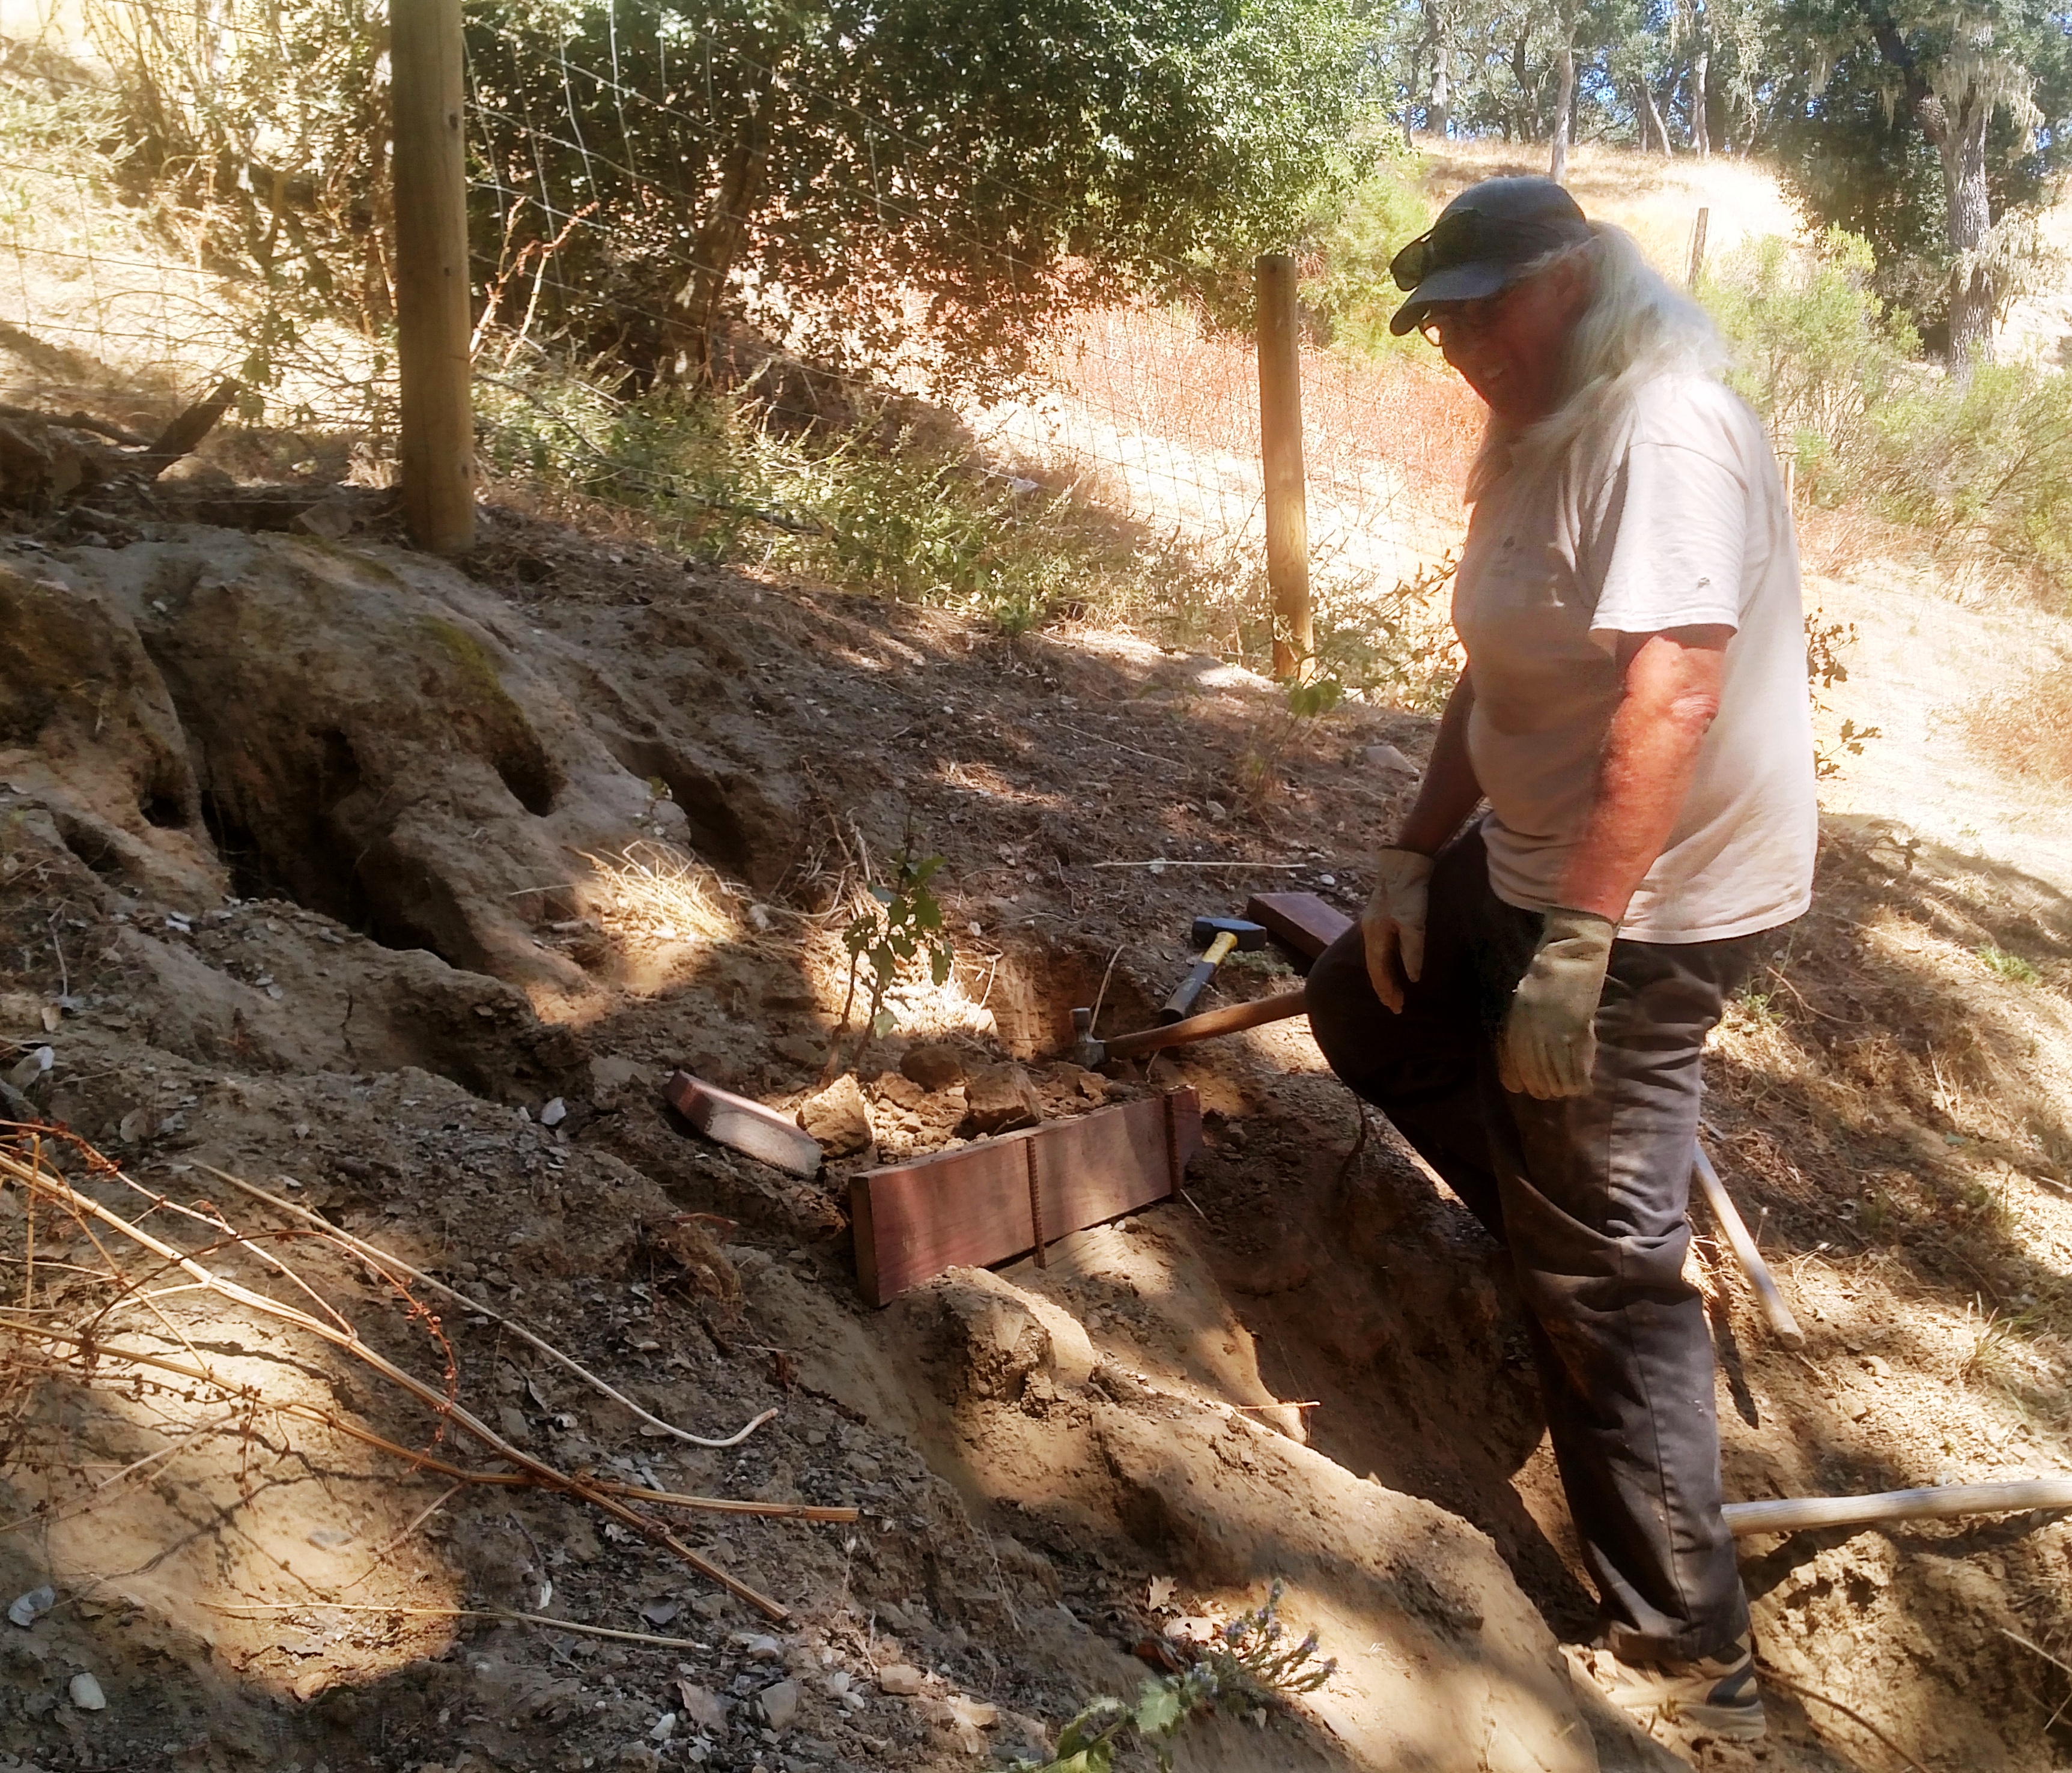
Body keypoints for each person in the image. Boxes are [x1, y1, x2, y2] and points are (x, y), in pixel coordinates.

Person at [1305, 177, 1815, 1742]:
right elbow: (1497, 676)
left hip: (1652, 906)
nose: (1461, 342)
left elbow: (1666, 695)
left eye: (1485, 305)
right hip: (1529, 861)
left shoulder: (1659, 424)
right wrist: (1410, 849)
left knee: (1601, 1264)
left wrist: (1580, 938)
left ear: (1579, 275)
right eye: (1439, 319)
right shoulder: (1529, 435)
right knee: (1362, 1006)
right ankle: (1562, 1225)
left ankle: (1682, 1644)